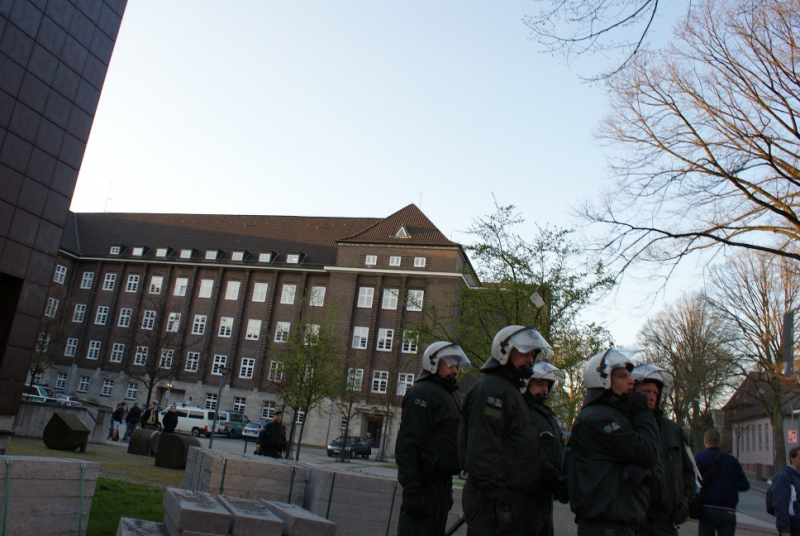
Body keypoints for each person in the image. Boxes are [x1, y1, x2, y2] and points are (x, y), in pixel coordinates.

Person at [458, 325, 552, 535]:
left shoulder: (512, 392)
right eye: (524, 353)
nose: (530, 360)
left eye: (533, 354)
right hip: (490, 503)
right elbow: (483, 450)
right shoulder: (492, 390)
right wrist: (500, 500)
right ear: (504, 352)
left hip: (510, 498)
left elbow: (524, 445)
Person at [568, 348, 660, 536]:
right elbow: (648, 451)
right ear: (603, 379)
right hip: (605, 527)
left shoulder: (615, 415)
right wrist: (643, 412)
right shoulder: (598, 419)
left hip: (618, 526)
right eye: (622, 376)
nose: (631, 381)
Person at [396, 341, 471, 536]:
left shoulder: (451, 396)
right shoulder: (422, 393)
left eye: (457, 366)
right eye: (450, 365)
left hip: (441, 486)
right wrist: (412, 490)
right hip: (423, 485)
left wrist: (447, 492)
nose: (455, 370)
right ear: (433, 364)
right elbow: (407, 445)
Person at [632, 364, 695, 536]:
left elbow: (688, 472)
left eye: (655, 393)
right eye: (646, 392)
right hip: (634, 522)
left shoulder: (672, 430)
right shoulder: (625, 425)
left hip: (665, 523)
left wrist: (684, 502)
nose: (652, 397)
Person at [522, 361, 569, 536]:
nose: (545, 390)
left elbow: (561, 450)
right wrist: (555, 480)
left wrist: (563, 478)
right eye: (540, 384)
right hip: (527, 497)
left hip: (545, 498)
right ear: (528, 384)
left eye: (547, 385)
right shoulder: (524, 411)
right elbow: (532, 451)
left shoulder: (548, 416)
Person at [694, 429, 749, 536]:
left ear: (706, 441)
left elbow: (692, 481)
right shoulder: (732, 461)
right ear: (720, 442)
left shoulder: (699, 459)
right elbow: (744, 484)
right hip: (728, 509)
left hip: (707, 508)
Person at [771, 446, 800, 536]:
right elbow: (780, 505)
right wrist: (785, 530)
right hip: (793, 528)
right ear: (792, 459)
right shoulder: (784, 477)